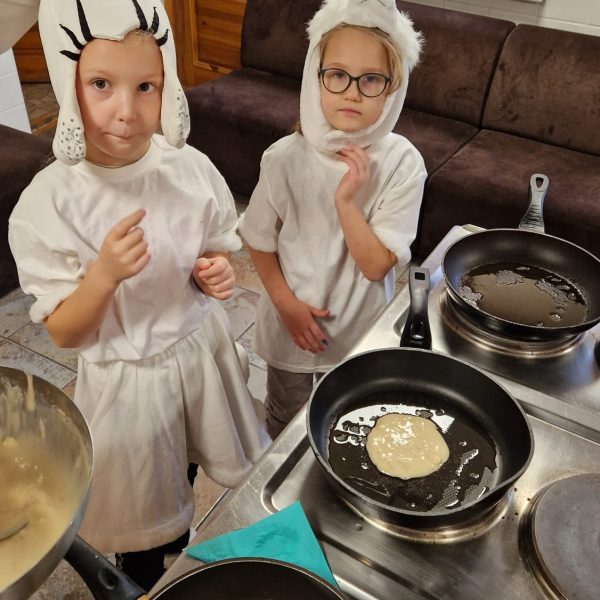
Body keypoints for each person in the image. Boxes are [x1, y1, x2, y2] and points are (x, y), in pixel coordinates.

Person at [8, 0, 270, 589]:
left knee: (191, 458)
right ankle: (146, 573)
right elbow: (64, 332)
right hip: (129, 385)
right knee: (146, 512)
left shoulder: (188, 167)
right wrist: (102, 276)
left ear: (166, 83)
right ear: (67, 83)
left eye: (145, 86)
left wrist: (213, 272)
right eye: (101, 84)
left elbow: (211, 247)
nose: (126, 111)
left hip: (199, 355)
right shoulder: (51, 203)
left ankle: (180, 539)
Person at [238, 0, 427, 439]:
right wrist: (286, 306)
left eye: (371, 79)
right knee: (286, 423)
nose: (353, 92)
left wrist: (347, 203)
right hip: (291, 327)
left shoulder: (402, 163)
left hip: (358, 333)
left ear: (393, 88)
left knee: (350, 424)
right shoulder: (284, 158)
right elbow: (259, 239)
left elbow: (376, 265)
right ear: (314, 76)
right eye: (338, 75)